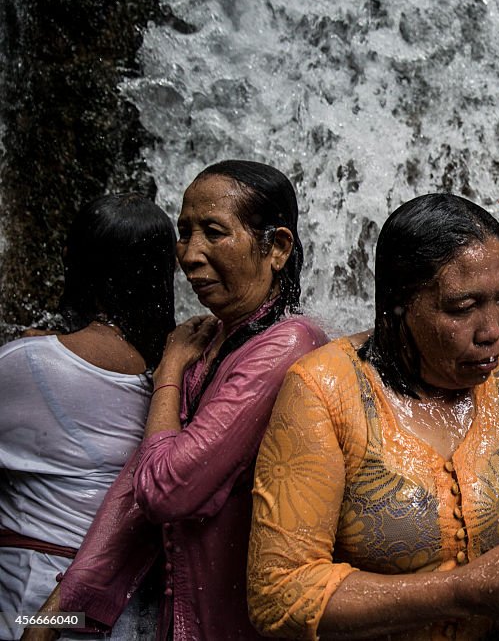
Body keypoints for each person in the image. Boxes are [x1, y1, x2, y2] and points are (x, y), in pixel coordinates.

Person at [247, 194, 499, 640]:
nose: (492, 330)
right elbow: (278, 594)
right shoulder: (324, 389)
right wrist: (461, 590)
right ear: (400, 303)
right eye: (461, 308)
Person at [33, 160, 328, 640]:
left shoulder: (288, 345)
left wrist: (168, 371)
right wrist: (56, 612)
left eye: (213, 232)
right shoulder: (210, 339)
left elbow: (168, 489)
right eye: (185, 232)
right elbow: (134, 486)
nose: (189, 255)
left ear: (276, 247)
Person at [0, 193, 175, 640]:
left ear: (71, 259)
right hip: (132, 610)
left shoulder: (27, 364)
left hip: (38, 606)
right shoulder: (177, 380)